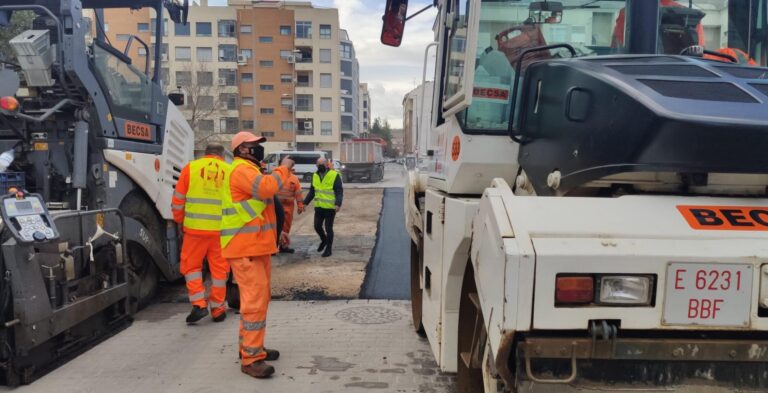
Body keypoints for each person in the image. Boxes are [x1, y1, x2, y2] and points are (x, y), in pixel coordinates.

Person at [220, 131, 287, 379]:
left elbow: (264, 209)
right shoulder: (242, 170)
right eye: (254, 145)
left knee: (258, 300)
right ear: (242, 149)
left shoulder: (249, 169)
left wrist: (279, 234)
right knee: (254, 302)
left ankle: (251, 347)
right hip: (245, 248)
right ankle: (251, 358)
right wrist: (284, 169)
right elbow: (268, 189)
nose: (259, 148)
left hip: (256, 247)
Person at [171, 143, 231, 324]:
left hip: (195, 230)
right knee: (220, 270)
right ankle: (218, 309)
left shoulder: (191, 168)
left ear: (205, 154)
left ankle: (199, 304)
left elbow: (178, 199)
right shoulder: (229, 170)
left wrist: (179, 220)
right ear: (221, 155)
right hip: (221, 231)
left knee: (191, 268)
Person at [303, 157, 343, 257]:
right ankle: (324, 240)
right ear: (316, 165)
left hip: (330, 208)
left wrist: (338, 204)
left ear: (326, 164)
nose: (320, 166)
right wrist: (305, 203)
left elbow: (339, 191)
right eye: (318, 164)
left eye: (322, 164)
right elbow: (312, 191)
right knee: (317, 226)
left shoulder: (334, 175)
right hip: (319, 207)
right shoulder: (314, 176)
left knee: (328, 228)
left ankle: (328, 249)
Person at [272, 157, 304, 254]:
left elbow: (298, 193)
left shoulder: (294, 178)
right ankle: (272, 248)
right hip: (274, 207)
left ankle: (283, 246)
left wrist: (300, 205)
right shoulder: (274, 176)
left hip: (288, 207)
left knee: (286, 227)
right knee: (273, 228)